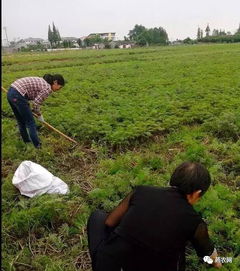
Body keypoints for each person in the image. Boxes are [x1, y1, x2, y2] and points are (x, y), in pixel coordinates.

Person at [87, 162, 222, 271]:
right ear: (197, 193)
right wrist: (218, 264)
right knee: (178, 252)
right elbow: (207, 253)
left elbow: (110, 222)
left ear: (172, 179)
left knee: (98, 217)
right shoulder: (194, 221)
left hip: (112, 264)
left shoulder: (141, 191)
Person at [7, 74, 65, 148]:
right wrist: (39, 114)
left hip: (11, 92)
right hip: (18, 95)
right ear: (55, 82)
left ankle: (26, 142)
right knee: (31, 122)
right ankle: (37, 146)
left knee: (21, 121)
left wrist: (31, 109)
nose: (59, 89)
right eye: (59, 87)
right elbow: (36, 104)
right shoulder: (47, 88)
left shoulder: (44, 82)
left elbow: (33, 100)